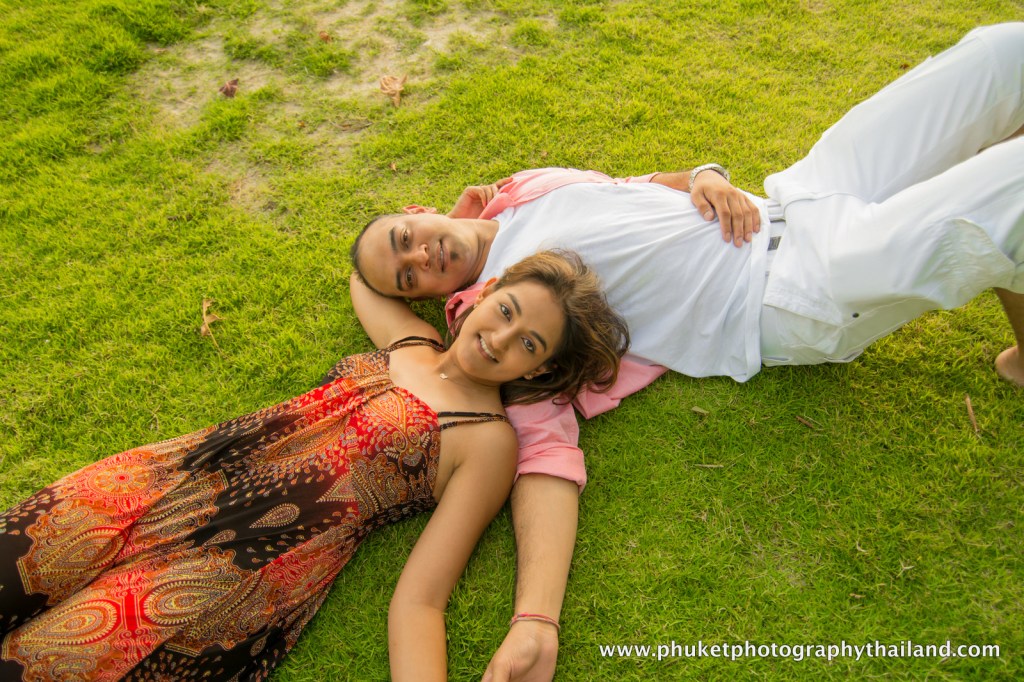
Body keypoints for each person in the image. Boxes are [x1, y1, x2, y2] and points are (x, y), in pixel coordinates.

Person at [348, 23, 1024, 680]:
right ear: (425, 298)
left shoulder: (526, 189)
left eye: (406, 235)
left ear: (421, 208)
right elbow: (546, 455)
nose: (422, 255)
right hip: (795, 289)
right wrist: (536, 619)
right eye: (408, 275)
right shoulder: (495, 326)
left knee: (1003, 55)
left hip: (798, 196)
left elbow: (636, 188)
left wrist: (703, 173)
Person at [0, 250, 629, 681]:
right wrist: (450, 245)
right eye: (507, 310)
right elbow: (368, 273)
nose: (498, 338)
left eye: (529, 344)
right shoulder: (409, 340)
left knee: (50, 659)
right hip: (178, 475)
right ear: (486, 293)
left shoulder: (489, 444)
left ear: (540, 370)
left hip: (247, 558)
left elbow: (421, 600)